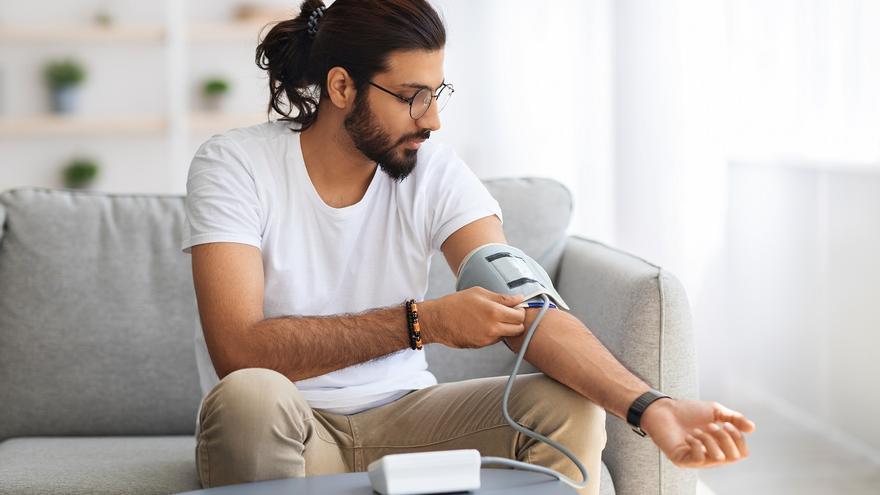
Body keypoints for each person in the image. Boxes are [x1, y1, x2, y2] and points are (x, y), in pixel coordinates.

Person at [181, 1, 756, 494]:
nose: (432, 119)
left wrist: (650, 406)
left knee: (566, 406)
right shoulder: (235, 165)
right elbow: (238, 347)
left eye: (437, 93)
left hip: (407, 421)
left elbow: (526, 304)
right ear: (341, 87)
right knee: (249, 396)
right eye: (411, 96)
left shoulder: (434, 172)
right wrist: (419, 323)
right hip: (290, 426)